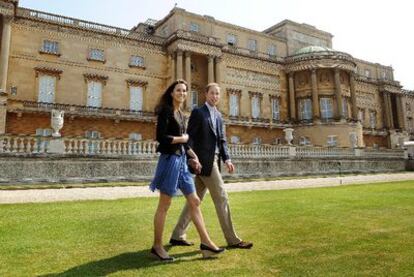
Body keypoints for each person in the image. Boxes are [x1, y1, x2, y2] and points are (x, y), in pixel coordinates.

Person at [169, 83, 253, 250]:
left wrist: (227, 159)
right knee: (222, 197)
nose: (215, 96)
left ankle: (177, 235)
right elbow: (190, 137)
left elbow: (222, 140)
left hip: (213, 161)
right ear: (206, 94)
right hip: (204, 162)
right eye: (212, 93)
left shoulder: (219, 116)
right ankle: (233, 240)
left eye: (217, 94)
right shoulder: (199, 112)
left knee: (194, 201)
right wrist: (192, 157)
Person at [149, 79, 224, 261]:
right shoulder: (166, 111)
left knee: (195, 201)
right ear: (171, 93)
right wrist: (181, 139)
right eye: (179, 90)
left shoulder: (182, 114)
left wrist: (194, 156)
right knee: (164, 205)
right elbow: (161, 137)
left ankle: (206, 243)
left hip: (182, 161)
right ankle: (157, 246)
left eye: (184, 91)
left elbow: (185, 142)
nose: (182, 93)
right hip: (169, 162)